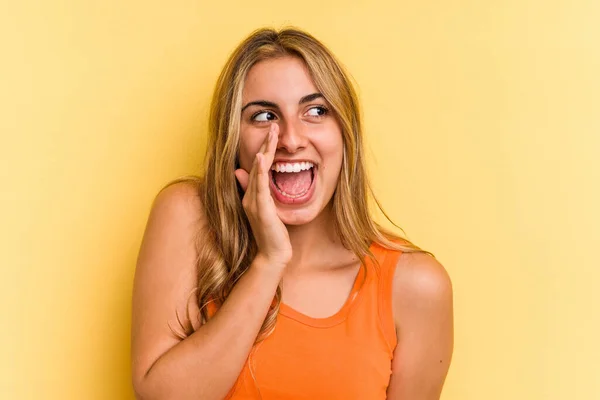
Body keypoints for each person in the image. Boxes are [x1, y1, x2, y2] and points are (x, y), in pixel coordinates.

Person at [130, 27, 454, 400]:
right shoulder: (189, 216)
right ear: (233, 141)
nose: (291, 139)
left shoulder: (415, 287)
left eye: (316, 111)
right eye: (264, 116)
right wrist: (269, 261)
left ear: (346, 134)